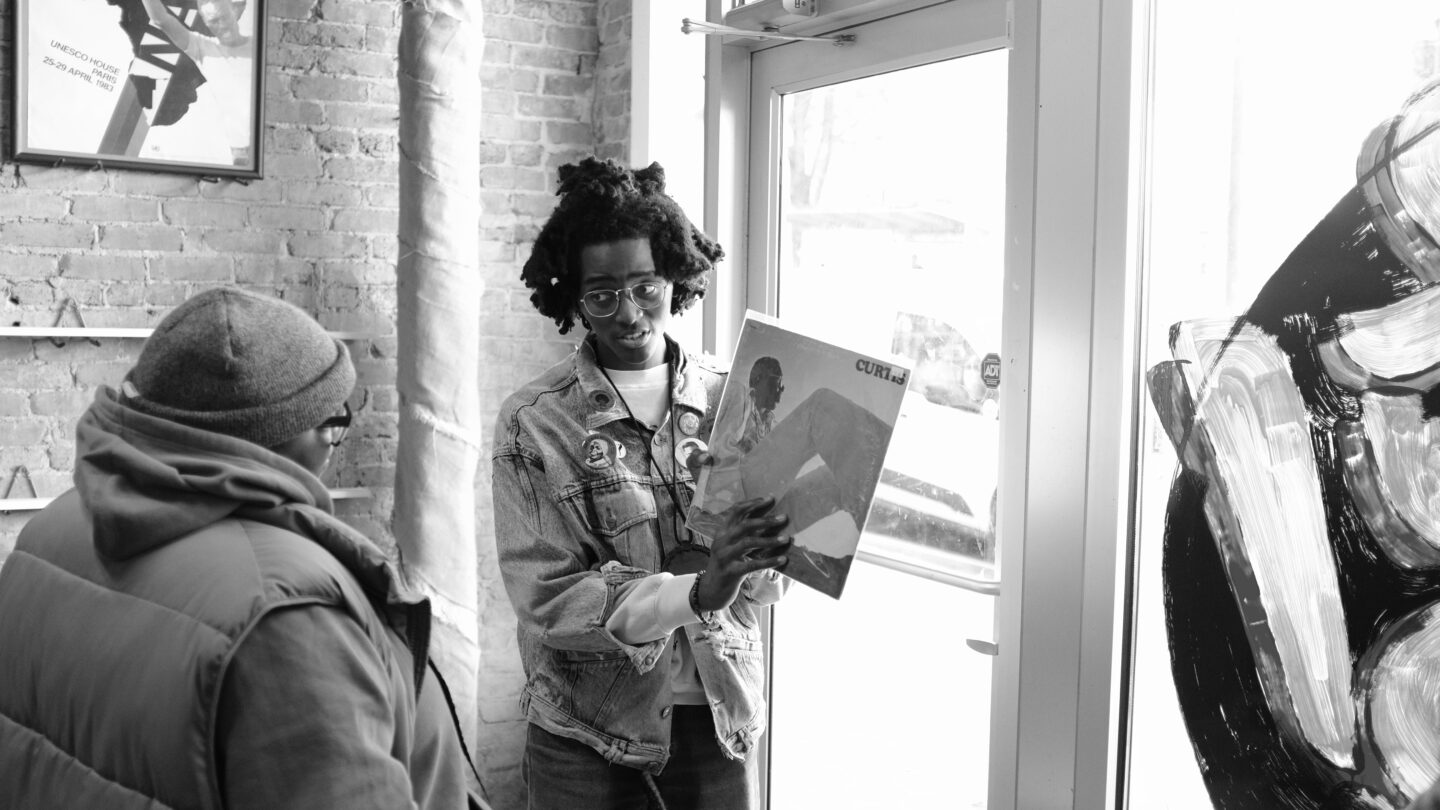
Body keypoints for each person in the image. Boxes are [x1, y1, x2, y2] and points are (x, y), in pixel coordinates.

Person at [0, 287, 473, 810]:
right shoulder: (289, 617)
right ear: (271, 435)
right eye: (331, 422)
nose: (333, 445)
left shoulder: (48, 533)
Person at [492, 157, 792, 810]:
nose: (628, 314)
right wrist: (698, 589)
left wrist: (773, 554)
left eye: (646, 287)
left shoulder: (733, 399)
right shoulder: (534, 422)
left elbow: (769, 583)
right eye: (601, 295)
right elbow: (548, 599)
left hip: (719, 717)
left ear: (674, 280)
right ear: (572, 295)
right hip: (586, 732)